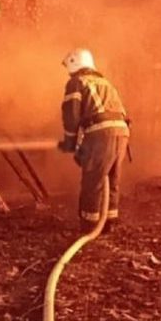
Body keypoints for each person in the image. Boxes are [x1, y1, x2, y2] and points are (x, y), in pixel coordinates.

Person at [57, 48, 130, 233]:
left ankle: (89, 227)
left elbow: (71, 115)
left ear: (75, 63)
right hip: (122, 132)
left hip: (101, 133)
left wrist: (70, 143)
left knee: (93, 180)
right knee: (112, 180)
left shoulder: (76, 82)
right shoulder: (105, 82)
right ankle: (108, 224)